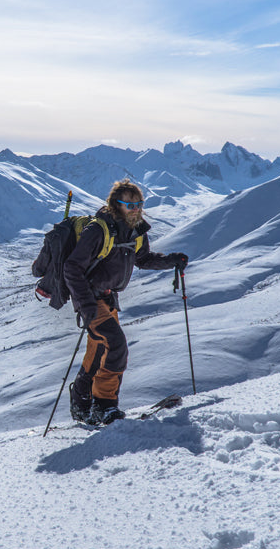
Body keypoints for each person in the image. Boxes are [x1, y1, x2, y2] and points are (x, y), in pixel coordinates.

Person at [64, 179, 188, 425]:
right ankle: (104, 405)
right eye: (129, 204)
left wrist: (170, 260)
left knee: (99, 349)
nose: (135, 208)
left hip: (108, 297)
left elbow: (142, 259)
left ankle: (81, 403)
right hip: (90, 297)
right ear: (115, 205)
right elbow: (71, 267)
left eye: (139, 203)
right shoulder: (98, 230)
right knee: (116, 344)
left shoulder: (136, 229)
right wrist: (86, 304)